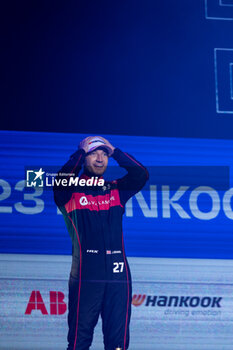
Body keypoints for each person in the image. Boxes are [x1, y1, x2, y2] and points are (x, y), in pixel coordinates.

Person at [53, 136, 149, 350]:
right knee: (79, 341)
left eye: (104, 154)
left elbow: (141, 174)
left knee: (118, 344)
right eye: (94, 153)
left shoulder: (116, 189)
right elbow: (61, 178)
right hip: (87, 274)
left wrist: (116, 152)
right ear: (84, 158)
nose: (100, 158)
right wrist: (79, 153)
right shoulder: (68, 193)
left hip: (119, 275)